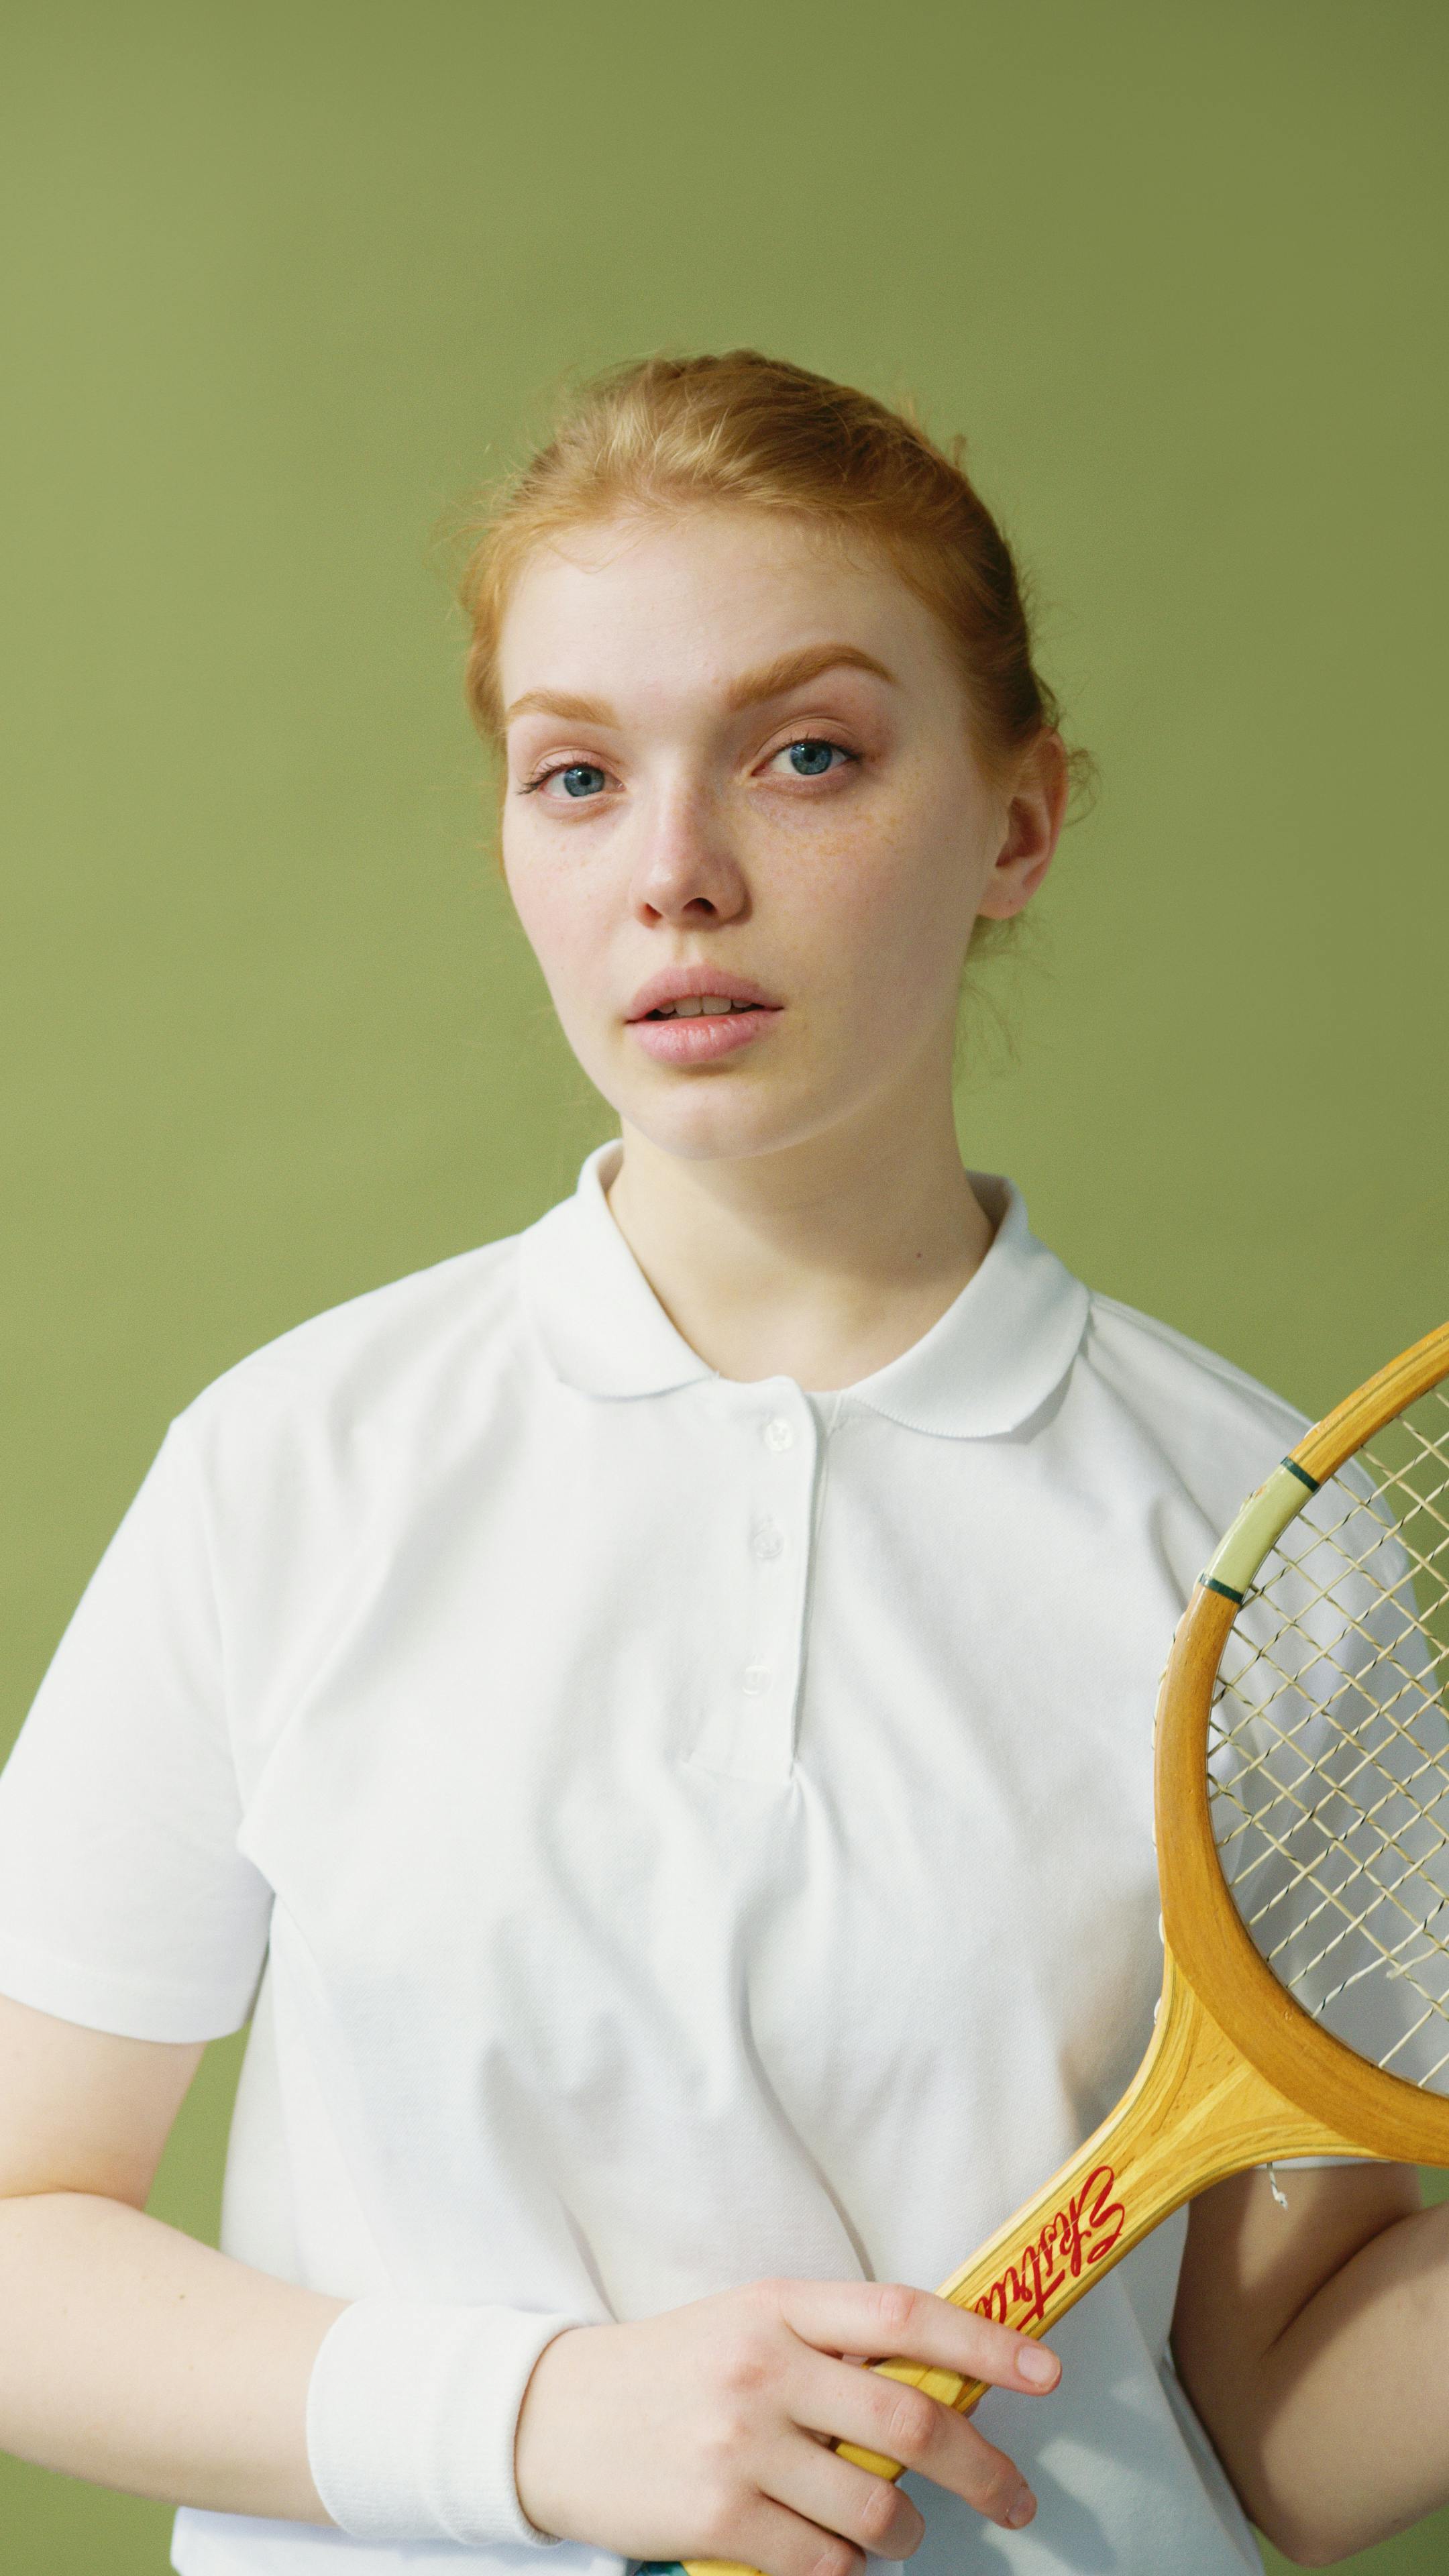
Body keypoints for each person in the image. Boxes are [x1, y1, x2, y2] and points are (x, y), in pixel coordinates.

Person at [0, 352, 1444, 2576]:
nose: (675, 874)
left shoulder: (1269, 1552)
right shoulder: (289, 1468)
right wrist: (535, 2421)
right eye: (574, 775)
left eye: (806, 755)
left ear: (1020, 820)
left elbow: (1267, 2427)